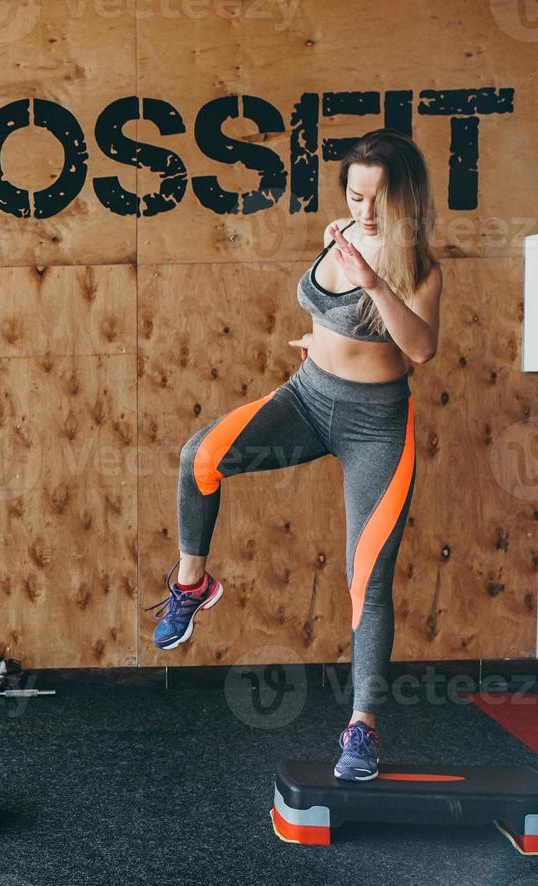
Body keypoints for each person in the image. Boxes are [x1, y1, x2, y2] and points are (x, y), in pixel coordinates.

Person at [148, 129, 443, 781]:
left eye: (378, 199)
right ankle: (192, 585)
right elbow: (331, 305)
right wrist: (320, 338)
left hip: (377, 427)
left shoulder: (417, 262)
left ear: (405, 198)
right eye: (355, 194)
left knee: (365, 582)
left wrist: (374, 283)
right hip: (308, 398)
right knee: (200, 457)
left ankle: (361, 729)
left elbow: (420, 348)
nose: (364, 211)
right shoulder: (336, 231)